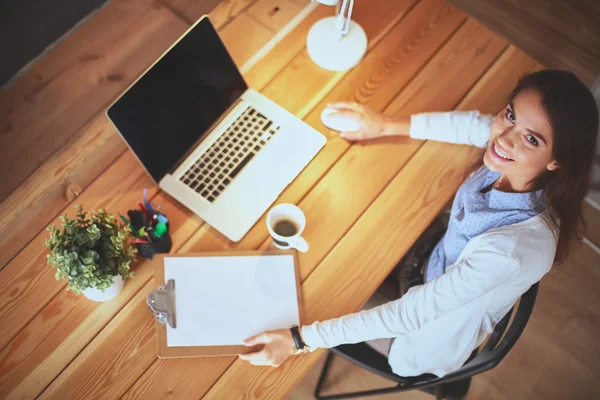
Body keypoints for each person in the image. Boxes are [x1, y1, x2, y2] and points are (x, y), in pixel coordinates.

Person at [238, 70, 599, 377]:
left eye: (531, 139)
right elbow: (475, 126)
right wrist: (383, 124)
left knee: (305, 290)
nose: (503, 138)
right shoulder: (514, 158)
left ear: (557, 161)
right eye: (510, 115)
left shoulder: (516, 249)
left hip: (419, 332)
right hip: (427, 261)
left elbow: (411, 314)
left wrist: (300, 340)